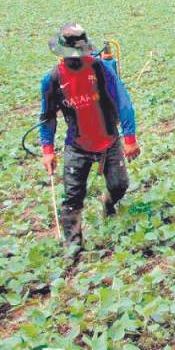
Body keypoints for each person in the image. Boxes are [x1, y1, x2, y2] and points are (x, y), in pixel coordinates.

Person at [39, 23, 141, 255]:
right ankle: (74, 244)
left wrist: (130, 137)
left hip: (108, 140)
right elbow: (47, 117)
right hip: (77, 144)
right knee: (73, 197)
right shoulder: (52, 80)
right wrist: (47, 149)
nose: (76, 59)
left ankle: (108, 202)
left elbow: (122, 101)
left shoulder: (101, 69)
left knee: (119, 184)